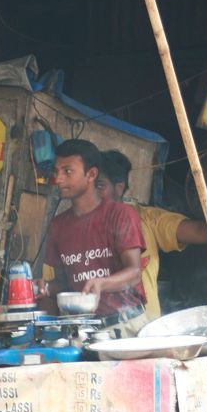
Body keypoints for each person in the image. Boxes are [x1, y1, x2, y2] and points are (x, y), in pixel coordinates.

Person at [97, 150, 207, 319]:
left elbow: (198, 230)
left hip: (142, 324)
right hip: (95, 323)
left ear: (119, 188)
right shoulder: (75, 224)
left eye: (99, 186)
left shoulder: (146, 218)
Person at [36, 139, 147, 332]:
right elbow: (66, 283)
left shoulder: (121, 214)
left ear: (91, 174)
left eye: (67, 171)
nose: (59, 179)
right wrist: (44, 288)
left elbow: (134, 272)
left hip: (125, 325)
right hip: (82, 330)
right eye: (56, 171)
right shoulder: (57, 225)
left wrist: (102, 283)